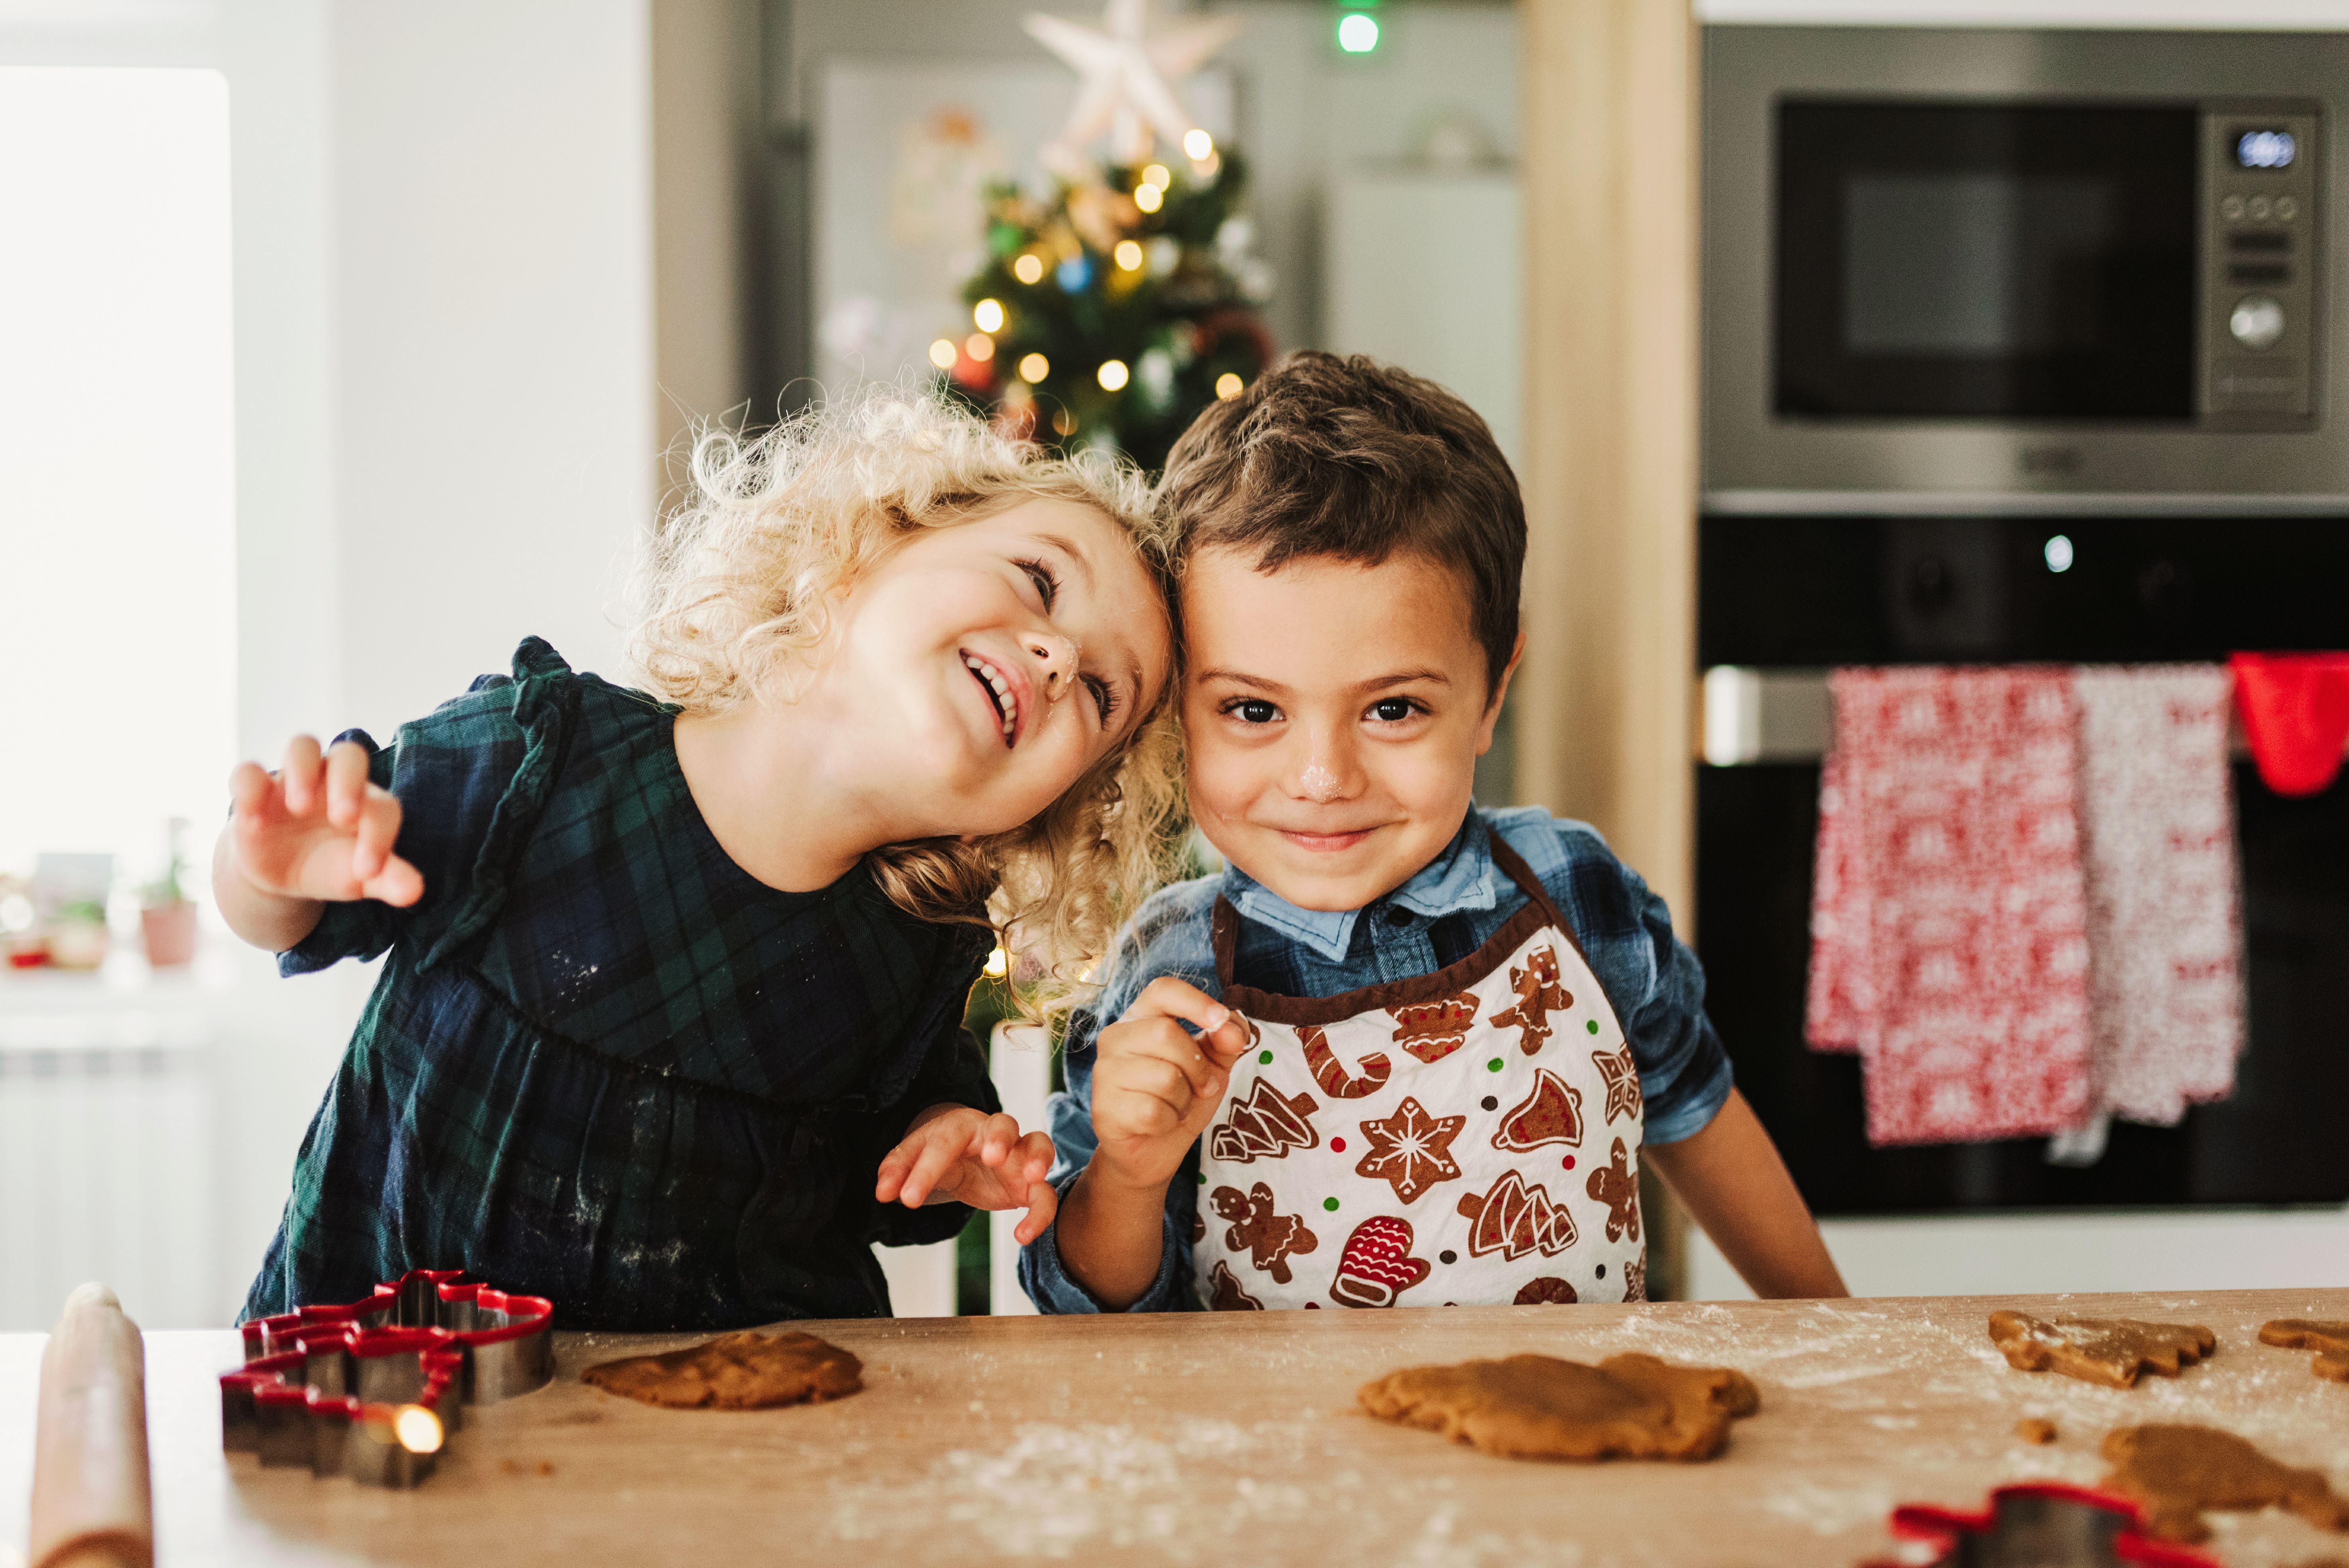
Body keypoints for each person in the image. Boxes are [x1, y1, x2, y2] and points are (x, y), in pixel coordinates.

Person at [221, 389, 1183, 1330]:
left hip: (712, 1455)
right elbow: (295, 915)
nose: (1057, 655)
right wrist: (263, 869)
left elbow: (886, 1176)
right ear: (881, 536)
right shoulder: (538, 760)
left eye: (1102, 692)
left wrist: (948, 1148)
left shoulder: (921, 947)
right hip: (381, 1390)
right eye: (1040, 580)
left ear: (1044, 807)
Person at [1021, 352, 1848, 1313]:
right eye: (1252, 710)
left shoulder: (1575, 891)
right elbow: (1088, 1309)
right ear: (1179, 708)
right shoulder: (1167, 974)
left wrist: (1847, 1335)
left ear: (1492, 690)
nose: (1324, 778)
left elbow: (1698, 1115)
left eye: (1393, 708)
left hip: (1579, 1445)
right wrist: (1126, 1173)